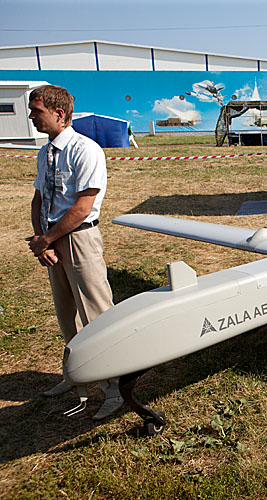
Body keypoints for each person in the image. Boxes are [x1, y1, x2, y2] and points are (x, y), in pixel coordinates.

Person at [26, 85, 123, 420]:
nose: (31, 117)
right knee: (66, 313)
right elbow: (39, 198)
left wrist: (46, 238)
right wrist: (43, 240)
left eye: (36, 111)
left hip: (79, 239)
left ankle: (115, 388)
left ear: (59, 114)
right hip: (52, 240)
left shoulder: (86, 151)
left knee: (97, 313)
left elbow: (82, 208)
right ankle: (76, 376)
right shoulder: (45, 152)